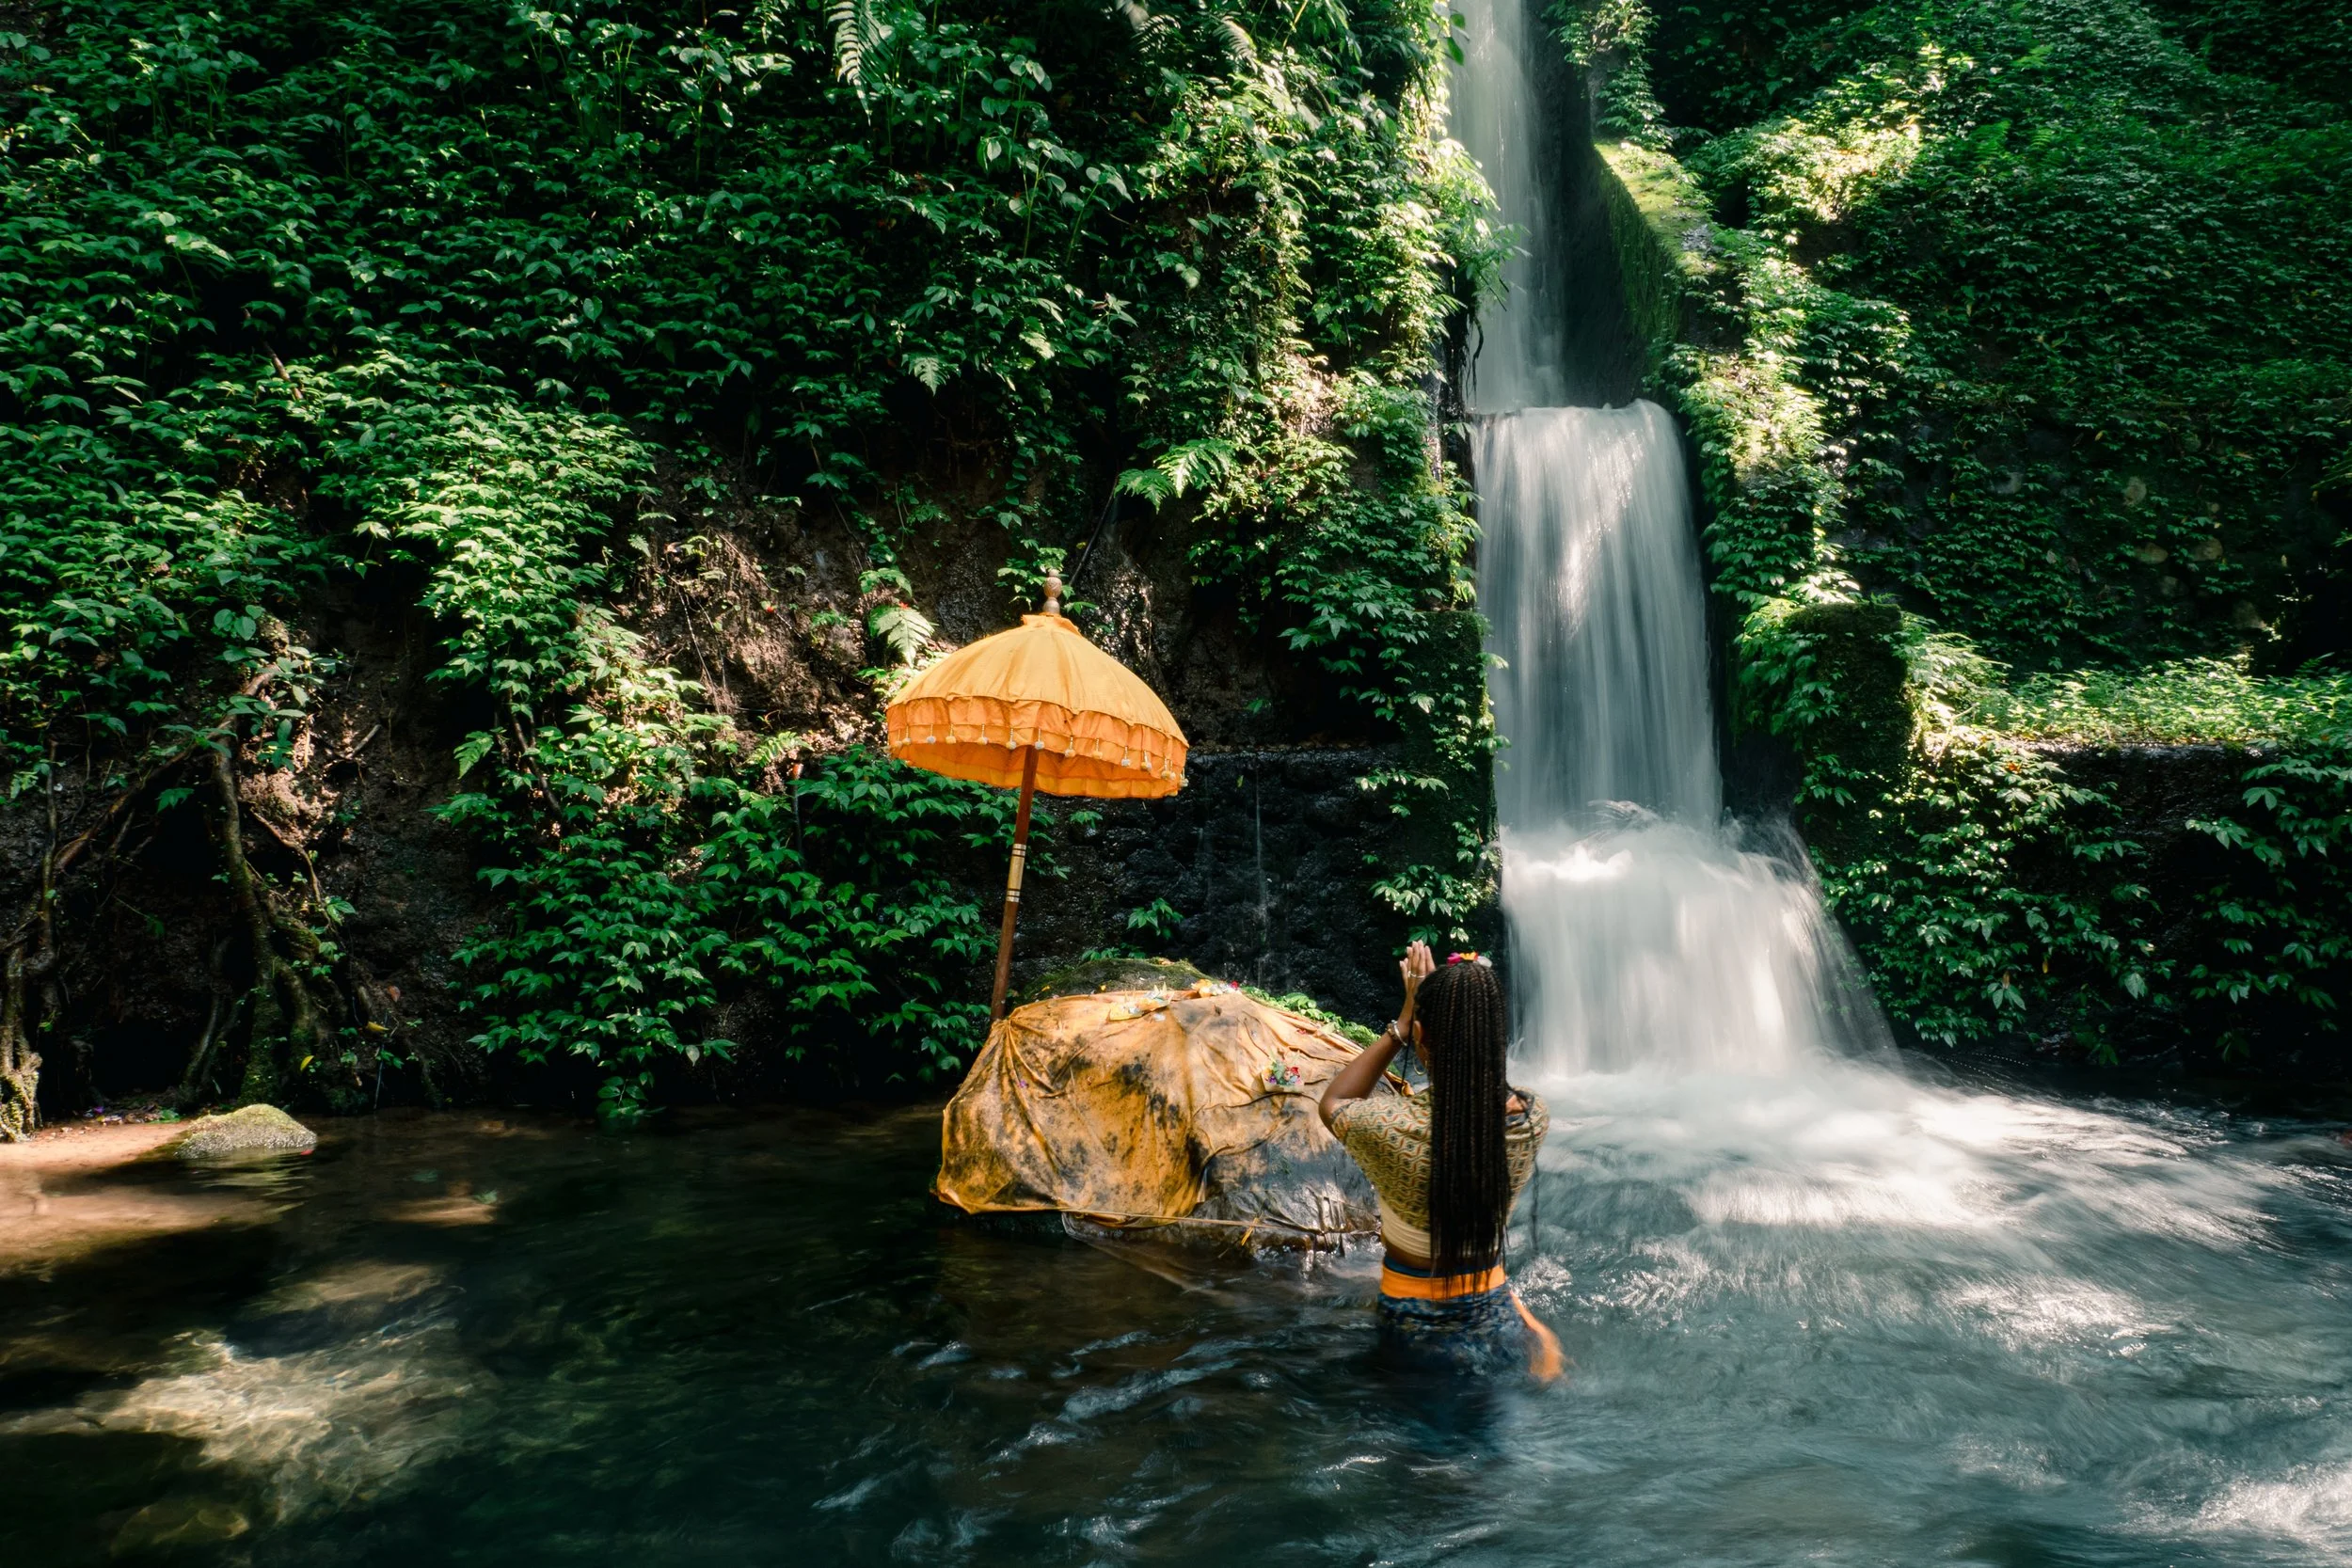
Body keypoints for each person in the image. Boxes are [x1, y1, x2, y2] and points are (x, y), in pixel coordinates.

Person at [1319, 942, 1562, 1379]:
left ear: (1423, 1039)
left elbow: (1335, 1101)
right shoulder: (1530, 1118)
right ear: (1497, 1038)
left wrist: (1401, 1023)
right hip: (1499, 1317)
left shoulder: (1392, 1128)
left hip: (1415, 1329)